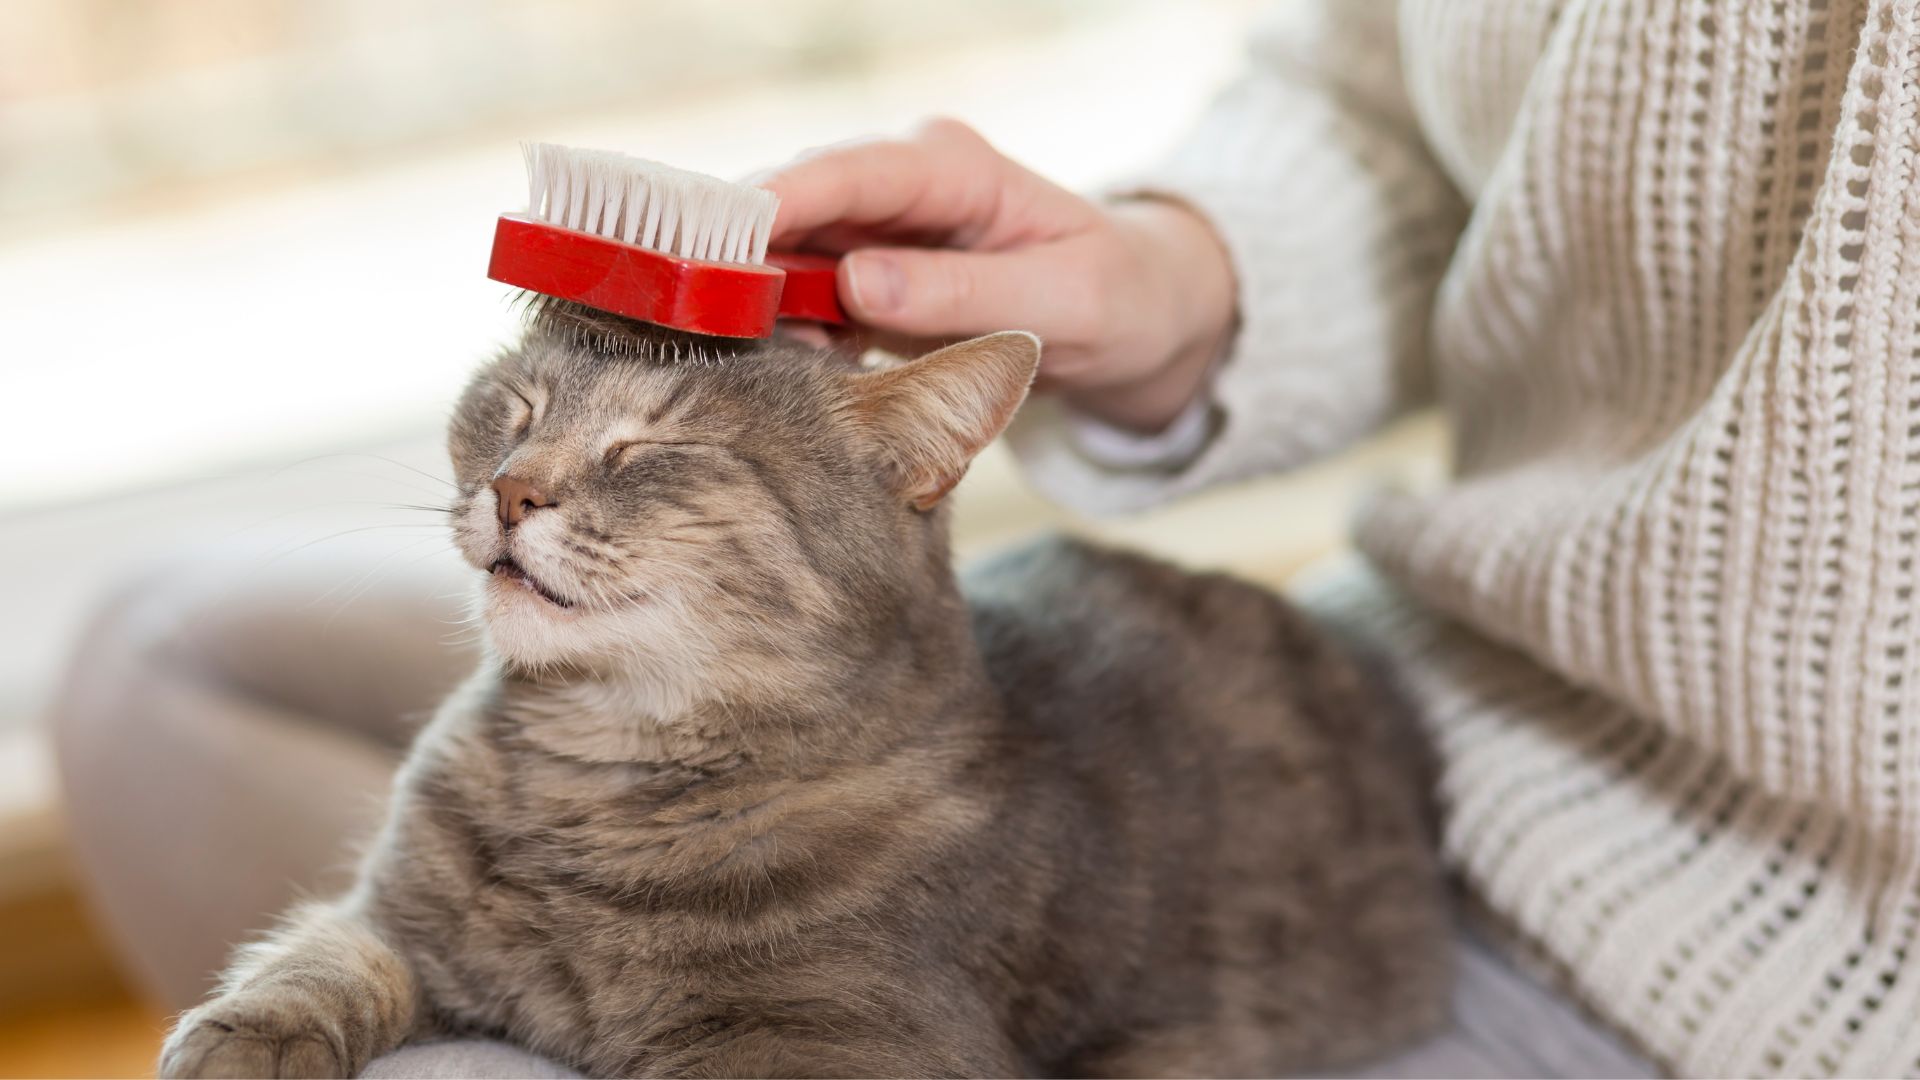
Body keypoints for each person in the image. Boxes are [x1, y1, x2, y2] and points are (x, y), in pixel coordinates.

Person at [53, 0, 1920, 1075]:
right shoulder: (564, 650)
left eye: (642, 464)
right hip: (1419, 658)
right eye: (528, 428)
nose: (526, 493)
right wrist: (1180, 272)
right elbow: (1392, 84)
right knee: (155, 661)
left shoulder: (920, 863)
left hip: (1718, 985)